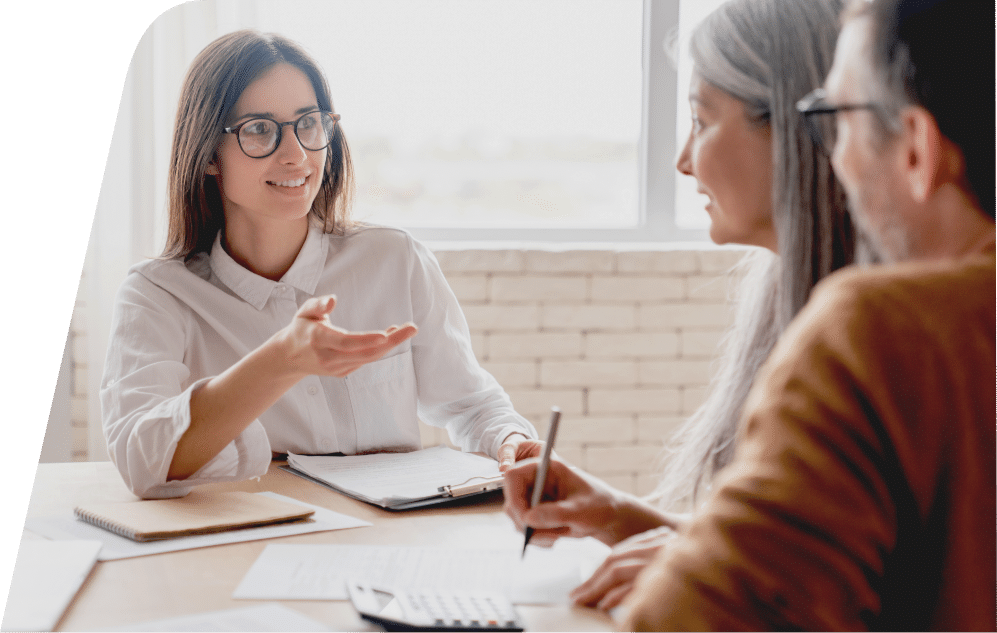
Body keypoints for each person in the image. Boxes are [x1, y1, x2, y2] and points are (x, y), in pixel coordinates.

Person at [505, 0, 995, 629]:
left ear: (916, 150)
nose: (833, 156)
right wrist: (637, 522)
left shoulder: (881, 332)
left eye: (833, 120)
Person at [101, 30, 539, 500]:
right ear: (208, 154)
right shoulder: (157, 293)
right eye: (259, 129)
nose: (296, 155)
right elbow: (141, 459)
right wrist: (282, 360)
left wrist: (510, 440)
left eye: (307, 123)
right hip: (251, 541)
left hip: (384, 539)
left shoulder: (394, 259)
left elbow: (473, 406)